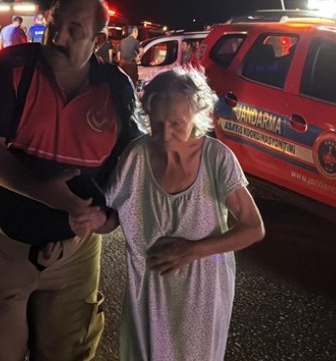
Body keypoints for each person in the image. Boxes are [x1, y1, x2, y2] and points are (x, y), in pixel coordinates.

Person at [0, 0, 142, 361]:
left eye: (75, 29)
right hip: (0, 243)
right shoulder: (9, 69)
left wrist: (113, 216)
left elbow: (131, 163)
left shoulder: (115, 88)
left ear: (99, 39)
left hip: (78, 253)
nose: (59, 36)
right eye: (54, 25)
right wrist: (55, 196)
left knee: (67, 351)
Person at [84, 68, 266, 361]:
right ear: (146, 112)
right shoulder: (136, 155)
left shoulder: (216, 158)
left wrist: (192, 250)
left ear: (198, 115)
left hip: (202, 289)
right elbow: (115, 215)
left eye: (176, 124)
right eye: (157, 124)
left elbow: (252, 228)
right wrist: (96, 221)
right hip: (150, 285)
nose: (166, 134)